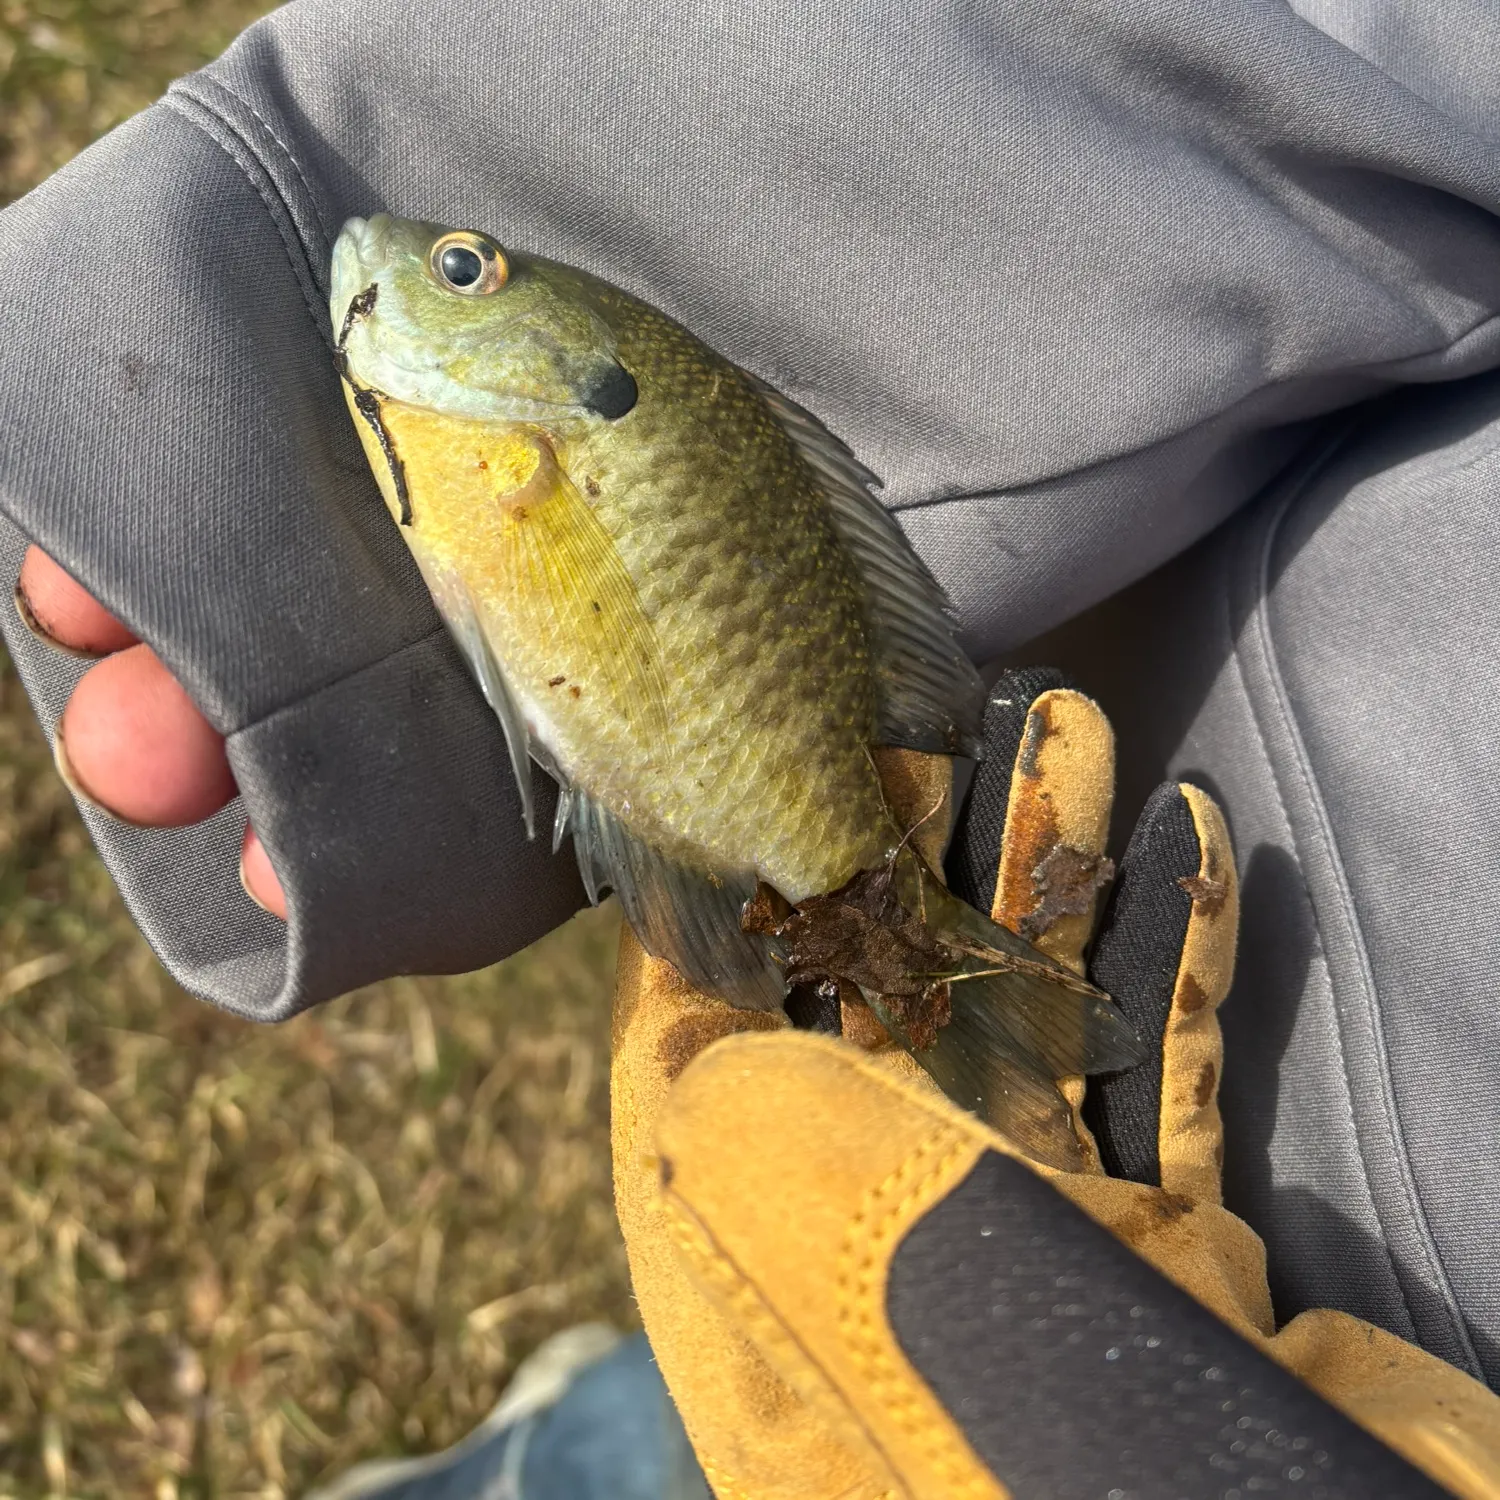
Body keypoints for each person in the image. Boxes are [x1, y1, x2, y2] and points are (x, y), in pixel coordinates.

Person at [5, 0, 1500, 1492]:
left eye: (467, 269)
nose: (430, 265)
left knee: (778, 1272)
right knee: (749, 1292)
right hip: (982, 1050)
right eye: (467, 268)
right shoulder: (559, 404)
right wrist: (233, 264)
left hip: (1151, 1276)